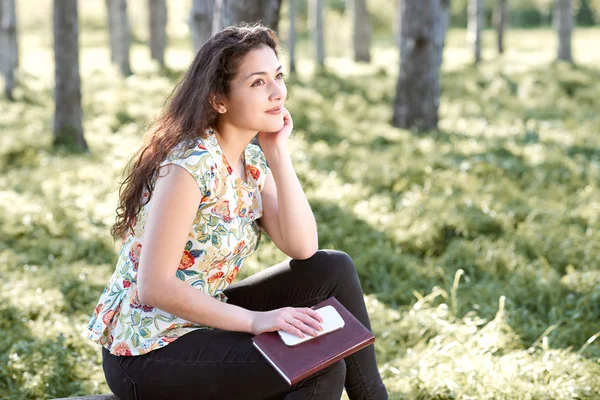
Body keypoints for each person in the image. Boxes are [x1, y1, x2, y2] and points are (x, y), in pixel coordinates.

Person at [87, 24, 388, 400]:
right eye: (258, 83)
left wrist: (278, 153)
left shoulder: (249, 161)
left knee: (333, 267)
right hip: (147, 350)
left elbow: (303, 248)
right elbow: (155, 286)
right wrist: (256, 322)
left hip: (202, 319)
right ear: (218, 99)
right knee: (319, 372)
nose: (278, 92)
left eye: (278, 76)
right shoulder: (189, 167)